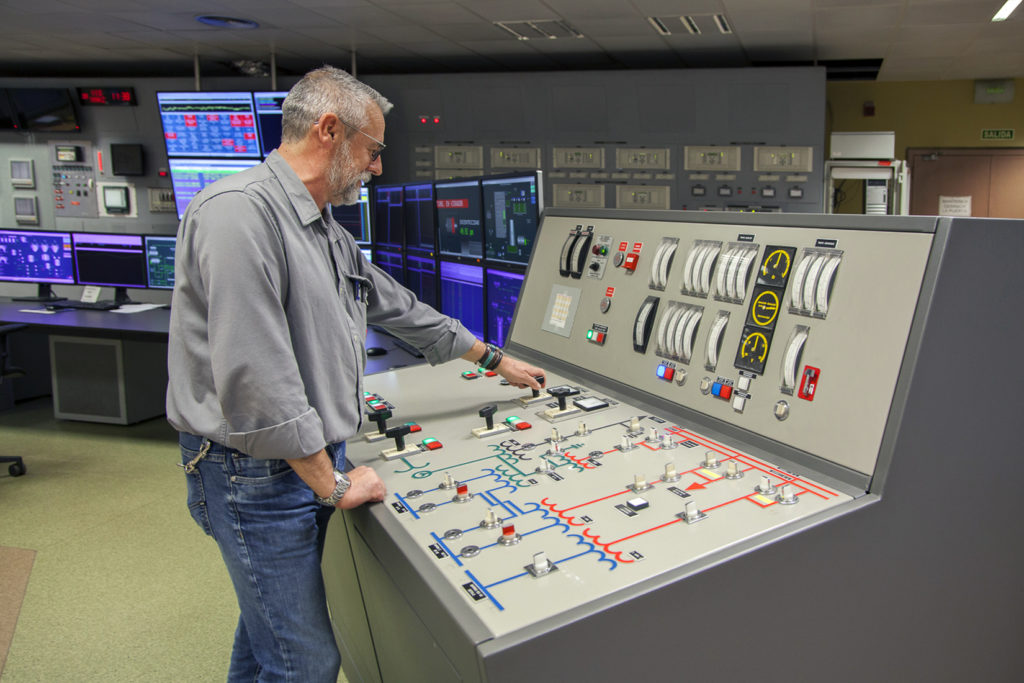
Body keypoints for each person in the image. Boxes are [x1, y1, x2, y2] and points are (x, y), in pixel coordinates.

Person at [166, 65, 545, 683]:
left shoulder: (321, 228)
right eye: (373, 150)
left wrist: (495, 360)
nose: (375, 168)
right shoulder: (238, 216)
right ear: (329, 130)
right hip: (253, 476)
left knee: (263, 633)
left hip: (301, 461)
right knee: (306, 662)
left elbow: (396, 306)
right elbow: (257, 376)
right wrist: (332, 484)